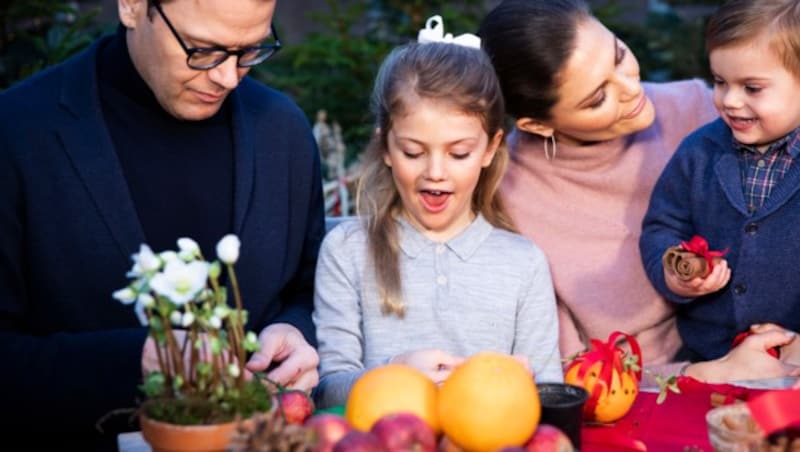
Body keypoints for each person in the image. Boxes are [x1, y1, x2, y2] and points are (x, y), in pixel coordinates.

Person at [0, 0, 324, 447]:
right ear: (133, 7)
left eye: (251, 50)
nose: (228, 77)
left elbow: (309, 295)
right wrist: (135, 360)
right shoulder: (16, 132)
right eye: (203, 49)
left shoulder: (282, 131)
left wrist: (296, 333)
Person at [479, 0, 798, 383]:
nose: (632, 89)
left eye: (618, 56)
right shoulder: (508, 204)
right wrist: (709, 373)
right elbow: (567, 374)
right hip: (645, 390)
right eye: (598, 98)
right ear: (539, 125)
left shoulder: (701, 109)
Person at [312, 16, 563, 409]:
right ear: (386, 149)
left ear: (490, 148)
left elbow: (548, 394)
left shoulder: (524, 263)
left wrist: (514, 382)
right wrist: (395, 374)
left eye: (458, 153)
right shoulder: (346, 251)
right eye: (413, 151)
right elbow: (328, 389)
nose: (435, 172)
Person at [640, 0, 800, 368]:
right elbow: (663, 226)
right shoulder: (699, 152)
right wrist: (675, 274)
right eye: (720, 82)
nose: (729, 100)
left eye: (752, 88)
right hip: (709, 356)